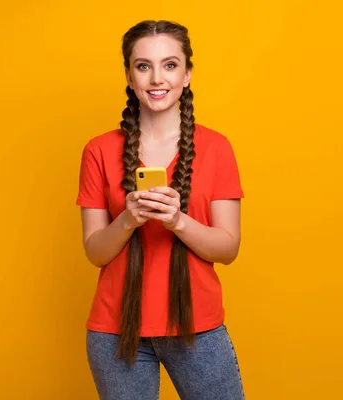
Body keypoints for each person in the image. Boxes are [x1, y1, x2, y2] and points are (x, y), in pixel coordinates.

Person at [76, 20, 246, 400]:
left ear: (186, 74)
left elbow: (228, 249)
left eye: (169, 65)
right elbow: (95, 251)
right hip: (115, 332)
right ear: (128, 75)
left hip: (197, 329)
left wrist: (178, 221)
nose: (157, 77)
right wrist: (127, 219)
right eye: (143, 65)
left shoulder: (217, 148)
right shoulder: (99, 151)